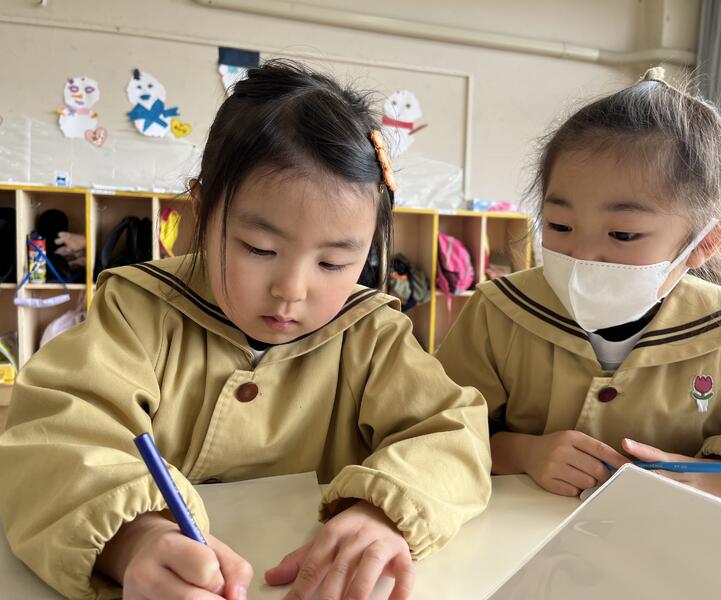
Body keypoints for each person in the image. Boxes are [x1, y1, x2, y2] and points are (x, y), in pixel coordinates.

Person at [0, 59, 491, 600]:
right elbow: (54, 438)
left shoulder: (372, 334)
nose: (292, 289)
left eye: (333, 263)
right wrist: (133, 539)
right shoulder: (138, 310)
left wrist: (385, 511)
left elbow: (453, 435)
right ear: (202, 210)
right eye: (259, 249)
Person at [437, 67, 721, 513]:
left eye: (623, 234)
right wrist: (522, 453)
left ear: (704, 243)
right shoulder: (499, 312)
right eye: (559, 225)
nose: (583, 254)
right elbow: (436, 426)